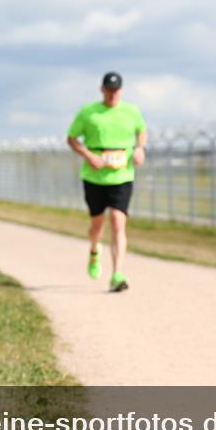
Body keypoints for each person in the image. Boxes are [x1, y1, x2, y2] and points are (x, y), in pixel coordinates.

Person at [66, 72, 147, 292]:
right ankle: (94, 249)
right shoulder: (88, 112)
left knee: (118, 221)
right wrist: (89, 155)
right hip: (94, 176)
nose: (112, 94)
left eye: (116, 90)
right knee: (97, 226)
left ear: (121, 90)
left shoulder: (131, 111)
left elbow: (142, 131)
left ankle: (117, 274)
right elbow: (71, 138)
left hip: (122, 175)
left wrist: (140, 148)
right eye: (109, 90)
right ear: (102, 89)